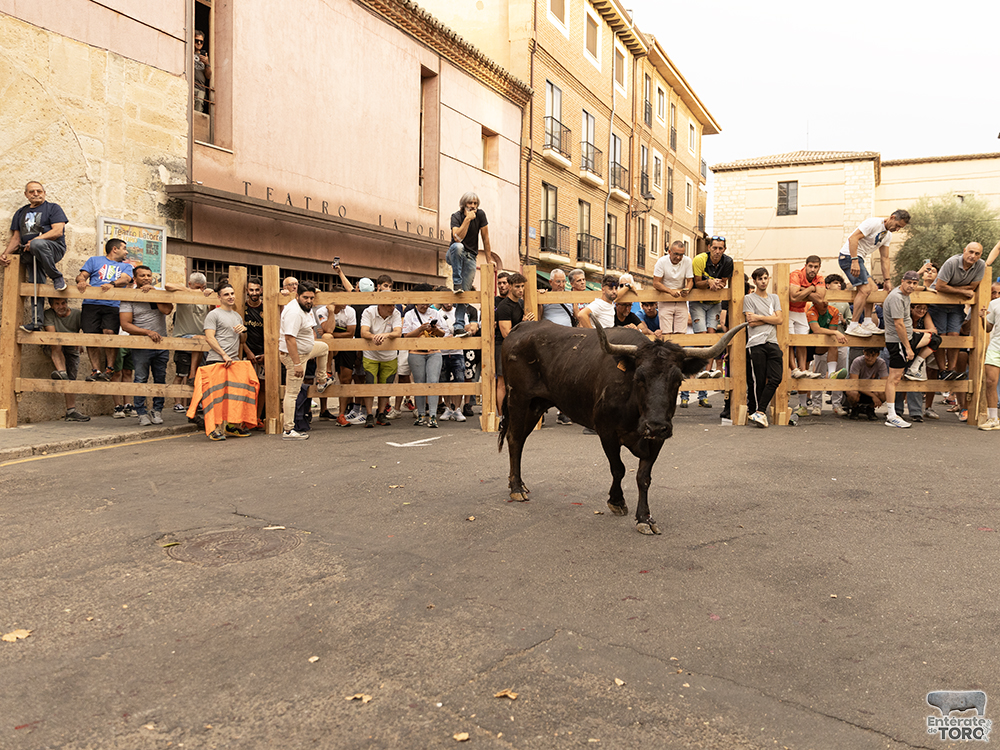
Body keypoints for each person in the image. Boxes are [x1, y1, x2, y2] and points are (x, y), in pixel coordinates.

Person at [2, 181, 69, 329]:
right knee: (35, 285)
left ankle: (56, 276)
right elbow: (16, 238)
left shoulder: (53, 208)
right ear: (26, 194)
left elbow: (57, 231)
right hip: (32, 254)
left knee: (36, 244)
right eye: (32, 192)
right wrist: (5, 254)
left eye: (39, 191)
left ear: (44, 193)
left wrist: (36, 240)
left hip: (53, 248)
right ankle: (36, 322)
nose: (36, 194)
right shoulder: (20, 213)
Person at [883, 270, 942, 428]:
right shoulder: (896, 297)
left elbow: (916, 288)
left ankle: (915, 367)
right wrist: (908, 348)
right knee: (894, 378)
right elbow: (898, 324)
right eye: (909, 282)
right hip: (898, 341)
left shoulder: (906, 291)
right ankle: (891, 415)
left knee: (935, 339)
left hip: (909, 337)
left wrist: (926, 289)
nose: (912, 286)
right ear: (902, 281)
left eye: (914, 283)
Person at [839, 210, 910, 336]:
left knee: (873, 288)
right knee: (865, 289)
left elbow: (884, 258)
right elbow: (853, 238)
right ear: (892, 217)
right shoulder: (873, 223)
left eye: (901, 228)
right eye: (898, 225)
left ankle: (867, 322)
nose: (897, 229)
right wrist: (854, 260)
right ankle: (853, 325)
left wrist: (887, 280)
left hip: (859, 258)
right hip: (849, 256)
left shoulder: (887, 235)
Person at [119, 265, 175, 427]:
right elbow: (125, 325)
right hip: (141, 345)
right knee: (141, 379)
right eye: (142, 276)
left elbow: (167, 310)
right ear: (134, 279)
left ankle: (157, 410)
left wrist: (154, 294)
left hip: (161, 344)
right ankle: (141, 412)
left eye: (149, 275)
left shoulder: (158, 292)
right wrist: (147, 332)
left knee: (160, 378)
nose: (146, 278)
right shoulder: (129, 296)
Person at [278, 280, 331, 439]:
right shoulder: (294, 312)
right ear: (297, 296)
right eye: (305, 297)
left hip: (306, 350)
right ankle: (288, 429)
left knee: (324, 348)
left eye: (311, 298)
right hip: (295, 355)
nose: (309, 301)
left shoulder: (305, 308)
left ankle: (322, 381)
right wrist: (296, 364)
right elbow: (289, 339)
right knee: (292, 393)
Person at [77, 238, 134, 382]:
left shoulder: (126, 266)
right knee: (91, 336)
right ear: (115, 249)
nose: (126, 252)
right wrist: (81, 281)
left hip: (112, 305)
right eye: (124, 248)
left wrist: (112, 284)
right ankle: (95, 370)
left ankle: (109, 369)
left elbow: (126, 279)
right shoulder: (94, 260)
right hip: (91, 303)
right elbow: (82, 275)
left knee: (109, 332)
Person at [202, 280, 251, 440]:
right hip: (217, 360)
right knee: (216, 398)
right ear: (219, 297)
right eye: (226, 294)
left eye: (232, 293)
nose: (230, 297)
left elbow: (242, 340)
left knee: (233, 397)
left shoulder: (237, 316)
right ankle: (214, 429)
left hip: (233, 361)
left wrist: (243, 331)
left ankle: (232, 426)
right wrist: (223, 355)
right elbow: (209, 337)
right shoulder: (213, 314)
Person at [930, 242, 985, 380]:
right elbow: (940, 286)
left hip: (956, 305)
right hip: (938, 303)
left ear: (980, 256)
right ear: (964, 250)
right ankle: (943, 370)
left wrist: (951, 288)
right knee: (941, 336)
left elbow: (972, 287)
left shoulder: (981, 265)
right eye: (971, 252)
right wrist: (960, 290)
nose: (972, 256)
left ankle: (952, 370)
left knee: (955, 336)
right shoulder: (952, 263)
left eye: (976, 254)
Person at [359, 275, 402, 428]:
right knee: (370, 383)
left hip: (390, 355)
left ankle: (381, 413)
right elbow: (363, 332)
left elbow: (397, 332)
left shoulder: (396, 313)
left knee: (386, 385)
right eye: (390, 305)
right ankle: (369, 414)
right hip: (371, 353)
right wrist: (373, 337)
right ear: (382, 304)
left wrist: (384, 335)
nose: (393, 308)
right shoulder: (369, 312)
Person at [743, 267, 784, 428]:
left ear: (769, 279)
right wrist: (771, 318)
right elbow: (750, 322)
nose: (763, 281)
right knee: (758, 381)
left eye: (765, 278)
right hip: (756, 342)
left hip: (773, 342)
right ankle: (757, 412)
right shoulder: (749, 298)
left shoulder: (774, 298)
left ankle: (760, 412)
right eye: (760, 279)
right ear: (754, 281)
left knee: (776, 378)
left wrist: (760, 317)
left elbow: (780, 320)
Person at [166, 272, 211, 412]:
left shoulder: (206, 297)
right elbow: (167, 285)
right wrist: (188, 291)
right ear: (190, 284)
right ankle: (177, 402)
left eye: (202, 287)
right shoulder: (183, 294)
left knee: (201, 374)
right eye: (196, 287)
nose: (199, 290)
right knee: (180, 374)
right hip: (183, 338)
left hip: (201, 340)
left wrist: (210, 292)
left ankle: (198, 402)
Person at [448, 192, 491, 332]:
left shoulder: (481, 215)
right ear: (463, 204)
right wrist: (467, 220)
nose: (473, 206)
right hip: (454, 254)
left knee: (464, 293)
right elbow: (457, 238)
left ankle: (459, 325)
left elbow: (485, 238)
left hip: (471, 257)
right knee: (459, 247)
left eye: (475, 203)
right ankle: (456, 281)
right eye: (470, 203)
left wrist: (489, 260)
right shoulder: (456, 216)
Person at [42, 297, 90, 422]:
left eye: (63, 303)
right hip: (55, 343)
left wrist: (78, 341)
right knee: (55, 342)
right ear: (51, 305)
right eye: (57, 304)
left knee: (72, 378)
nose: (61, 306)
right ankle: (62, 372)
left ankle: (71, 411)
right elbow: (52, 334)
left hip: (72, 345)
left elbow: (85, 330)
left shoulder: (76, 314)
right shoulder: (48, 314)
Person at [402, 294, 446, 427]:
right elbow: (406, 336)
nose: (424, 306)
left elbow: (443, 333)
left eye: (427, 303)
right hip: (416, 353)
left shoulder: (435, 313)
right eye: (421, 303)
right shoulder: (409, 315)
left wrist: (435, 329)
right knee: (420, 383)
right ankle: (421, 414)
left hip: (434, 352)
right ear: (416, 302)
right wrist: (420, 329)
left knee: (433, 382)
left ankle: (432, 416)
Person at [495, 272, 533, 410]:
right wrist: (523, 323)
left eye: (522, 286)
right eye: (517, 286)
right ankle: (500, 416)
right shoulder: (505, 306)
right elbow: (506, 333)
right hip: (503, 346)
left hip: (519, 346)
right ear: (510, 287)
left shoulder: (522, 303)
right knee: (502, 381)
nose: (521, 290)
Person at [788, 255, 827, 380]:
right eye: (810, 266)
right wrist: (811, 288)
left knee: (803, 340)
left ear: (819, 267)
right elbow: (793, 297)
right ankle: (794, 369)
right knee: (790, 340)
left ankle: (803, 369)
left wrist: (803, 291)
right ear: (805, 266)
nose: (813, 269)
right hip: (787, 309)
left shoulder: (819, 277)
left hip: (800, 310)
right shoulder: (796, 274)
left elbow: (820, 298)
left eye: (816, 267)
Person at [435, 289, 468, 423]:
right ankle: (448, 407)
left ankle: (457, 408)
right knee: (443, 380)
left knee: (460, 379)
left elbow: (465, 329)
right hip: (442, 352)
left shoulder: (460, 313)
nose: (448, 303)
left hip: (457, 351)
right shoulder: (437, 314)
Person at [690, 236, 733, 335]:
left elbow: (724, 282)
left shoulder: (728, 261)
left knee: (711, 332)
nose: (717, 251)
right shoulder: (699, 259)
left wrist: (718, 284)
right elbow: (697, 282)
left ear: (724, 249)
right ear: (709, 247)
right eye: (714, 248)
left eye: (720, 248)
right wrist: (709, 282)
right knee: (701, 334)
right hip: (698, 300)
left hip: (715, 301)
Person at [652, 241, 693, 334]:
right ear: (669, 252)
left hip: (681, 300)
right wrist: (670, 291)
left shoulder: (687, 261)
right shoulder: (661, 261)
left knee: (681, 333)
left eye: (681, 255)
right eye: (676, 254)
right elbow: (656, 283)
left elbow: (690, 281)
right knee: (666, 333)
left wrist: (687, 290)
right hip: (665, 299)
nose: (678, 257)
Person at [242, 276, 266, 427]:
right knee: (246, 387)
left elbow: (273, 333)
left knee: (262, 386)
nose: (254, 293)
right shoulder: (241, 307)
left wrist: (267, 354)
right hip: (246, 353)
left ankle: (257, 418)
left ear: (261, 290)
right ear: (246, 291)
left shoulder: (267, 308)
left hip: (264, 354)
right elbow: (238, 335)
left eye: (257, 290)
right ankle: (246, 418)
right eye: (251, 290)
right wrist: (248, 353)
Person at [844, 348, 889, 421]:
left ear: (878, 355)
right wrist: (873, 396)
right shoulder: (857, 361)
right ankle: (855, 408)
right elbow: (854, 383)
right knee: (852, 392)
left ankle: (870, 409)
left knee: (885, 392)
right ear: (864, 352)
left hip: (871, 389)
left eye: (873, 355)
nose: (870, 358)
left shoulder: (881, 363)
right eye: (867, 355)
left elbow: (885, 382)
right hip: (859, 390)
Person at [979, 287, 1000, 430]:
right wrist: (982, 318)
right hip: (996, 347)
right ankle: (993, 418)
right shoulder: (995, 304)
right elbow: (988, 328)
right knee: (991, 382)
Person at [193, 30, 212, 113]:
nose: (199, 43)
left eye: (201, 42)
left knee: (198, 113)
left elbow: (209, 76)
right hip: (190, 86)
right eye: (197, 41)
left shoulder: (205, 57)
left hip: (200, 90)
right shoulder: (188, 52)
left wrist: (207, 63)